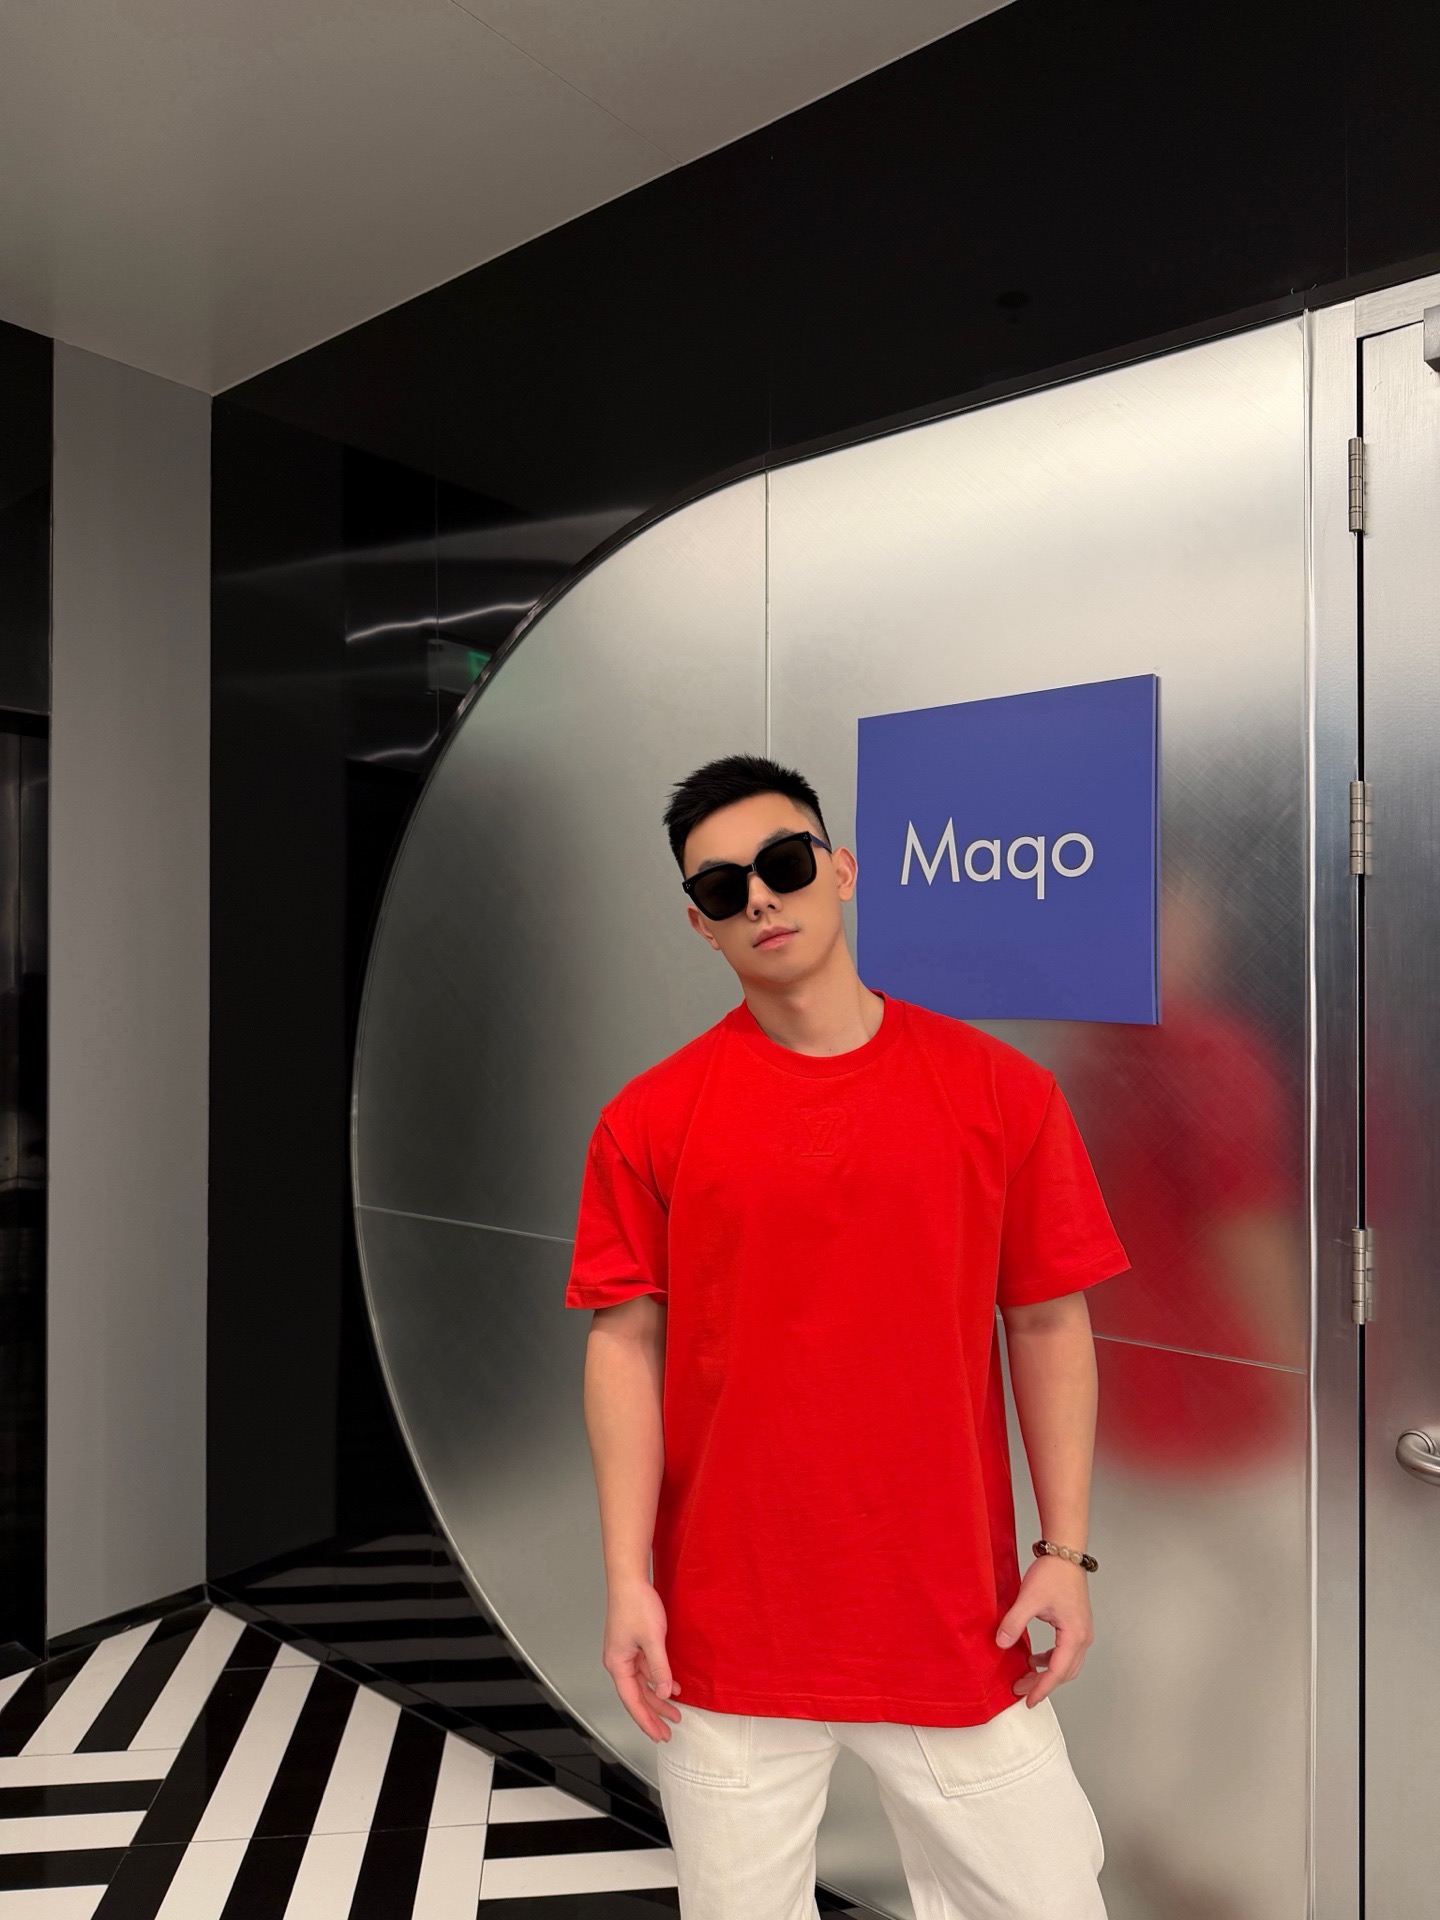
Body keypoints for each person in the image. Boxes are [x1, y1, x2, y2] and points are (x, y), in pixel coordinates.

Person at [563, 753, 1130, 1919]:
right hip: (727, 1632)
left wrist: (1066, 1552)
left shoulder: (1000, 1091)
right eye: (722, 887)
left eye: (784, 863)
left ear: (843, 870)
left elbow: (1046, 1317)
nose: (761, 898)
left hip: (949, 1616)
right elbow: (624, 1345)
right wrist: (626, 1580)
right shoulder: (649, 1119)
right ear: (698, 923)